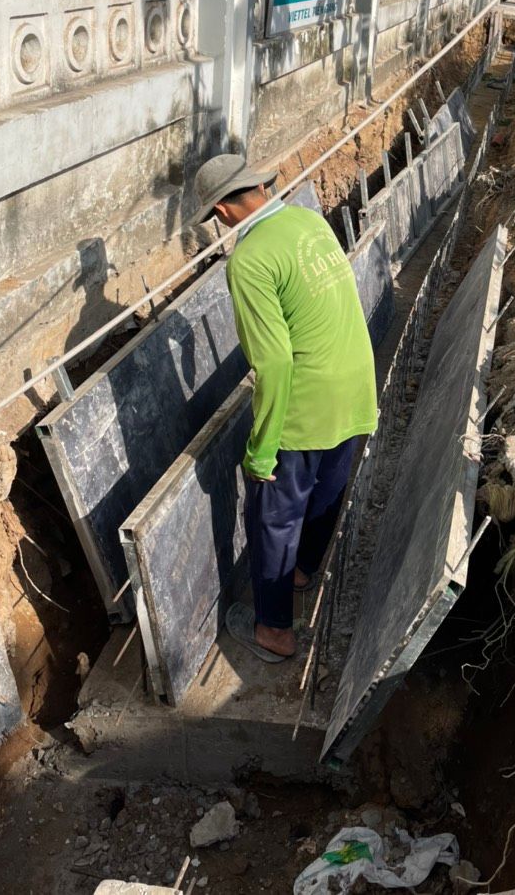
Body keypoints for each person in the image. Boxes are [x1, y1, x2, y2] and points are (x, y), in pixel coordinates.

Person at [190, 154, 377, 662]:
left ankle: (273, 629)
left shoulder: (249, 261)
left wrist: (262, 450)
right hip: (355, 390)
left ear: (223, 213)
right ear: (262, 187)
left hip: (307, 406)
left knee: (272, 517)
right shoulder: (309, 221)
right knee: (327, 490)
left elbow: (272, 365)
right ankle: (302, 572)